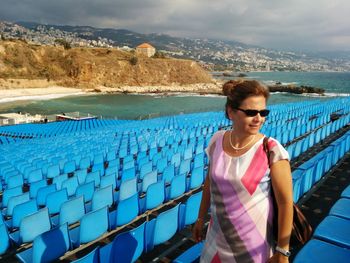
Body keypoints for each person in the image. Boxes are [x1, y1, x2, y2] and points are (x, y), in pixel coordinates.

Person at [192, 80, 293, 263]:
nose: (259, 119)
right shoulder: (217, 140)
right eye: (251, 112)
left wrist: (283, 251)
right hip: (216, 239)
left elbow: (286, 203)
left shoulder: (271, 149)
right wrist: (200, 218)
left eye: (263, 113)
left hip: (253, 246)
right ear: (231, 112)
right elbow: (209, 183)